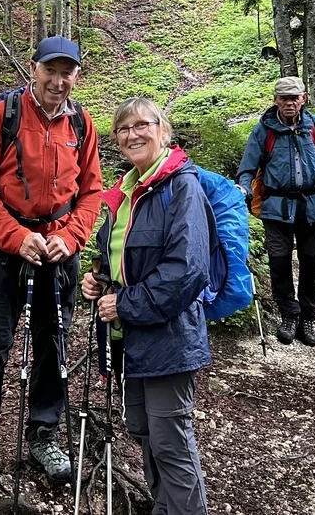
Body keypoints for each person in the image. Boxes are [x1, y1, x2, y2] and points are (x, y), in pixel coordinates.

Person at [0, 36, 102, 486]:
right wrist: (16, 237)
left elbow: (91, 192)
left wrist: (70, 238)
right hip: (6, 250)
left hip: (58, 250)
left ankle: (43, 433)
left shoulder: (81, 123)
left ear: (77, 75)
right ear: (33, 68)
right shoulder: (4, 114)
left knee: (53, 344)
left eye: (67, 73)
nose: (58, 81)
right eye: (50, 71)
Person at [81, 97, 212, 515]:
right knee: (145, 432)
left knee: (170, 440)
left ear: (163, 131)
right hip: (130, 338)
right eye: (123, 128)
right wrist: (98, 280)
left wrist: (125, 303)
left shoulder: (181, 186)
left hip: (169, 337)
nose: (133, 134)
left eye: (142, 125)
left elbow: (187, 270)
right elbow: (119, 255)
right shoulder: (126, 190)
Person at [235, 76, 315, 346]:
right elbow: (247, 168)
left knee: (311, 264)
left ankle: (308, 317)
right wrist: (243, 189)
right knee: (279, 263)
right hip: (275, 208)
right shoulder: (264, 131)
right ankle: (289, 315)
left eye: (294, 98)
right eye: (284, 98)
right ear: (276, 100)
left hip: (311, 206)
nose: (289, 103)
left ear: (303, 99)